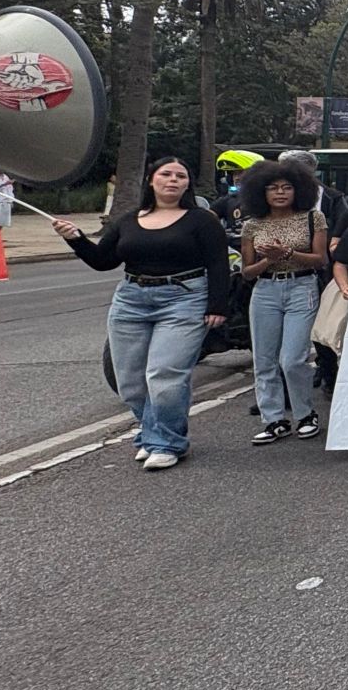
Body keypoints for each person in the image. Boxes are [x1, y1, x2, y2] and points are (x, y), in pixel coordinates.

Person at [54, 157, 231, 471]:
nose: (173, 180)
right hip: (131, 300)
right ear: (152, 180)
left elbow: (218, 264)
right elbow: (102, 261)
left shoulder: (201, 220)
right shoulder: (128, 219)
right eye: (166, 174)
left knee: (165, 374)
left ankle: (167, 443)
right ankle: (152, 432)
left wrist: (217, 306)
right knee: (130, 382)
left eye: (181, 175)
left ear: (188, 184)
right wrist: (76, 239)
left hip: (184, 299)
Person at [238, 160, 330, 445]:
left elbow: (321, 260)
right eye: (273, 188)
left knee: (292, 359)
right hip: (265, 290)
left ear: (299, 189)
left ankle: (305, 414)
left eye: (287, 187)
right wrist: (269, 259)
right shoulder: (252, 225)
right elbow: (247, 271)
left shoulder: (312, 219)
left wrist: (288, 252)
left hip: (302, 286)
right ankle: (273, 419)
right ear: (260, 192)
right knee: (264, 360)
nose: (280, 193)